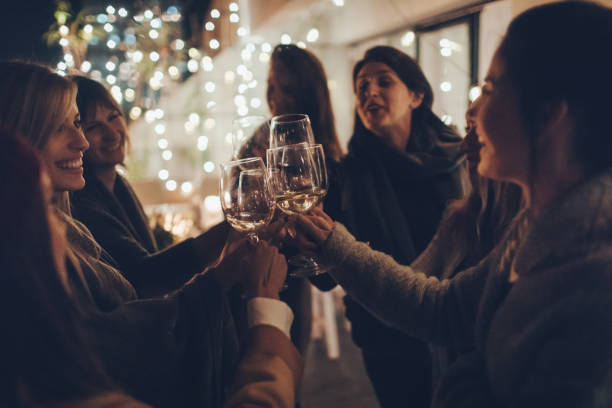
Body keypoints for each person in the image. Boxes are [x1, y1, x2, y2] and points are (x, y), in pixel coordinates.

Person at [296, 2, 612, 406]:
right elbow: (443, 308)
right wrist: (332, 244)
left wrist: (463, 369)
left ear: (548, 115)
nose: (475, 111)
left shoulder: (593, 273)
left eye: (492, 88)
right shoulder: (540, 225)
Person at [0, 60, 299, 408]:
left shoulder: (85, 214)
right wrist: (264, 313)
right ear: (18, 144)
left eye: (81, 123)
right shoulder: (56, 233)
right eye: (59, 128)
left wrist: (222, 274)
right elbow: (129, 316)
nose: (83, 141)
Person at [311, 45, 468, 408]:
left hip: (458, 322)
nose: (370, 93)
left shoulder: (457, 159)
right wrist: (307, 239)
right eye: (362, 87)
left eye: (384, 82)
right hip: (388, 335)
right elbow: (325, 276)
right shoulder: (345, 176)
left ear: (416, 96)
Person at [69, 75, 229, 298]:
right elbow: (144, 276)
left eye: (114, 117)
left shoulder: (118, 183)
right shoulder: (83, 202)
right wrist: (230, 229)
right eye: (94, 127)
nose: (112, 132)